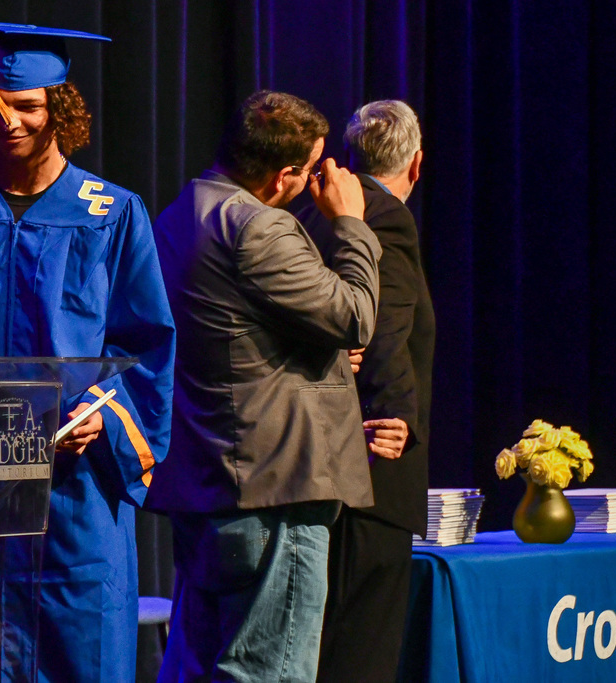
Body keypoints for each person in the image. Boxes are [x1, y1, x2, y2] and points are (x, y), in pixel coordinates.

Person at [0, 22, 175, 683]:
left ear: (60, 110)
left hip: (75, 492)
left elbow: (145, 343)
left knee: (79, 649)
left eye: (28, 105)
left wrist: (102, 413)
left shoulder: (112, 213)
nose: (9, 120)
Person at [146, 90, 381, 682]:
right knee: (269, 671)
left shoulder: (178, 214)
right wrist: (350, 222)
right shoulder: (259, 225)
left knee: (203, 667)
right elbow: (354, 315)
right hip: (274, 492)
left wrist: (317, 356)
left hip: (213, 485)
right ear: (285, 176)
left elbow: (237, 338)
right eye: (311, 169)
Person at [297, 99, 436, 682]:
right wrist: (396, 414)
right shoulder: (387, 218)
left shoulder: (305, 212)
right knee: (360, 656)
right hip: (371, 473)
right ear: (417, 165)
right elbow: (385, 326)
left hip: (310, 462)